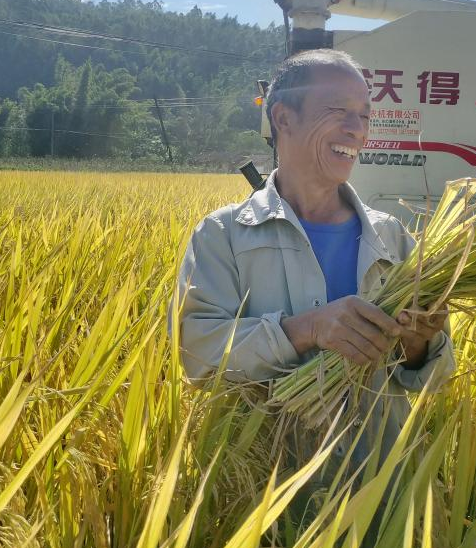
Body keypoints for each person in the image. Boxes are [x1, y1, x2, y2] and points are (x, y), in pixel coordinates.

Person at [173, 49, 454, 474]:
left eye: (364, 115)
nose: (357, 130)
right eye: (339, 111)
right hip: (261, 496)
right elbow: (197, 354)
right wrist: (308, 330)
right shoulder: (224, 235)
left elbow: (436, 377)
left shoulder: (393, 238)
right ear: (284, 119)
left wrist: (418, 342)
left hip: (378, 491)